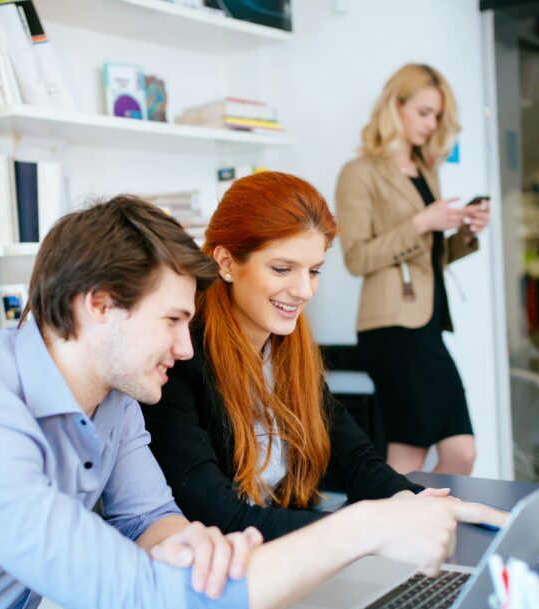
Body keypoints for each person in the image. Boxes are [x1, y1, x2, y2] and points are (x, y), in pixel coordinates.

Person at [0, 196, 496, 609]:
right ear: (99, 306)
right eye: (172, 322)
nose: (187, 349)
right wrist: (367, 528)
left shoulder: (112, 398)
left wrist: (182, 542)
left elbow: (147, 518)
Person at [142, 171, 471, 541]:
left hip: (286, 553)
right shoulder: (179, 359)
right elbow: (221, 516)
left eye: (314, 271)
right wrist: (369, 529)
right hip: (223, 569)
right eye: (282, 268)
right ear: (227, 263)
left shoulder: (287, 349)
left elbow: (356, 458)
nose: (303, 290)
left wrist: (414, 500)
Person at [335, 63, 490, 475]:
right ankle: (402, 532)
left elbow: (428, 258)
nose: (431, 123)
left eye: (437, 115)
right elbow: (356, 257)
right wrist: (422, 221)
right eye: (423, 112)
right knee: (408, 456)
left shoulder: (426, 169)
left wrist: (466, 231)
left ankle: (429, 524)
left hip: (427, 324)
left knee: (462, 451)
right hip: (391, 329)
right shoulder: (359, 173)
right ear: (395, 106)